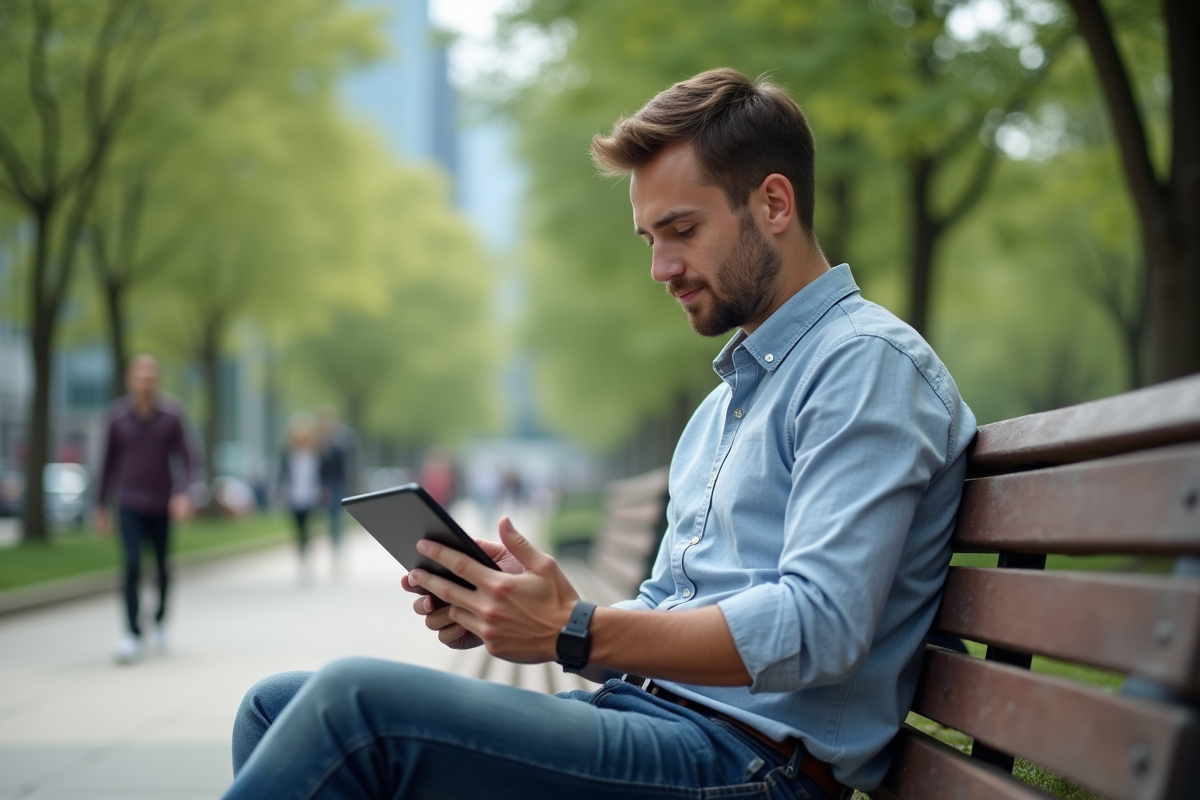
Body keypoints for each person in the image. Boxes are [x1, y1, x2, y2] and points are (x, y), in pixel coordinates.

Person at [223, 68, 976, 799]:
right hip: (660, 725)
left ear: (774, 203)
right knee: (277, 703)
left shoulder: (864, 366)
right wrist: (522, 609)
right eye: (648, 238)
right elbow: (665, 609)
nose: (660, 267)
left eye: (681, 230)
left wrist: (574, 630)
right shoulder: (725, 406)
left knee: (356, 708)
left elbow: (821, 624)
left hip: (752, 766)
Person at [93, 354, 194, 664]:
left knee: (162, 566)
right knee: (132, 565)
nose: (145, 381)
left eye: (150, 376)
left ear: (157, 380)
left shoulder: (172, 415)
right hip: (129, 503)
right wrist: (100, 505)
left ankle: (160, 621)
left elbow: (189, 460)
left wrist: (182, 494)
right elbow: (107, 464)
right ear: (130, 380)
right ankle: (133, 633)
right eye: (140, 376)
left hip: (162, 503)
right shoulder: (117, 417)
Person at [278, 414, 322, 584]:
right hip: (294, 497)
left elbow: (319, 475)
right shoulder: (288, 455)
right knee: (298, 530)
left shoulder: (314, 455)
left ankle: (308, 557)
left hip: (310, 496)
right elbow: (283, 474)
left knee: (308, 529)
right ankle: (301, 558)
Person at [317, 407, 351, 571]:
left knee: (336, 521)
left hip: (337, 486)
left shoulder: (338, 445)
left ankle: (337, 553)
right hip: (324, 487)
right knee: (328, 522)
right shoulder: (318, 446)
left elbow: (343, 468)